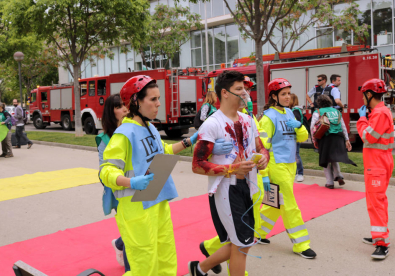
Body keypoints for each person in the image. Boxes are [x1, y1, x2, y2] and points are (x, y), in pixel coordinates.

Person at [100, 75, 223, 275]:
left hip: (157, 200)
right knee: (144, 265)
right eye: (153, 99)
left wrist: (189, 141)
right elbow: (106, 171)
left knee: (166, 257)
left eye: (159, 98)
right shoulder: (124, 133)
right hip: (135, 207)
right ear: (135, 102)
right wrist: (131, 181)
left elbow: (162, 152)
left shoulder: (150, 128)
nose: (159, 104)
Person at [190, 70, 269, 276]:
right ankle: (201, 268)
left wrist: (263, 160)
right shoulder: (212, 124)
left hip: (248, 187)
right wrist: (232, 169)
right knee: (242, 245)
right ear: (224, 93)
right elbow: (197, 164)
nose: (245, 93)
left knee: (242, 243)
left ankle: (200, 268)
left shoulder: (248, 120)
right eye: (239, 89)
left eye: (244, 89)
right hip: (226, 189)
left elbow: (261, 148)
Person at [258, 78, 317, 259]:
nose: (287, 97)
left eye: (288, 93)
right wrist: (265, 174)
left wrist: (299, 126)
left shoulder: (291, 113)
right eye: (283, 94)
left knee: (274, 204)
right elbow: (261, 149)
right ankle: (301, 244)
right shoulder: (268, 118)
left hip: (290, 164)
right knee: (290, 205)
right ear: (274, 96)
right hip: (276, 166)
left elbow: (302, 137)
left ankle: (256, 233)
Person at [357, 79, 394, 259]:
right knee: (378, 201)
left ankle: (381, 244)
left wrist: (362, 119)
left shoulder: (379, 113)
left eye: (363, 94)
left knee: (375, 204)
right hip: (379, 164)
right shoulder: (381, 111)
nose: (362, 98)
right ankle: (379, 235)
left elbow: (369, 137)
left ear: (369, 94)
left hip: (377, 166)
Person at [96, 94, 129, 268]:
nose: (124, 109)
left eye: (126, 105)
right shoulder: (105, 140)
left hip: (139, 187)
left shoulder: (134, 130)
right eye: (119, 106)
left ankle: (119, 244)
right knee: (130, 227)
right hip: (120, 190)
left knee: (138, 225)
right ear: (111, 112)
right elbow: (103, 172)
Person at [310, 95, 355, 189]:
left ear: (319, 103)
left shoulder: (318, 112)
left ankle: (330, 182)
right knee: (333, 158)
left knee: (325, 159)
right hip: (338, 138)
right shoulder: (337, 112)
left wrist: (314, 140)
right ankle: (338, 175)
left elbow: (312, 127)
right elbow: (343, 126)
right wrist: (347, 139)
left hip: (325, 138)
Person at [289, 94, 305, 182]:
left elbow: (297, 123)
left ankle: (300, 173)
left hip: (295, 136)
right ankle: (297, 173)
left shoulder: (295, 111)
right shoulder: (294, 110)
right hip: (293, 136)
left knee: (296, 155)